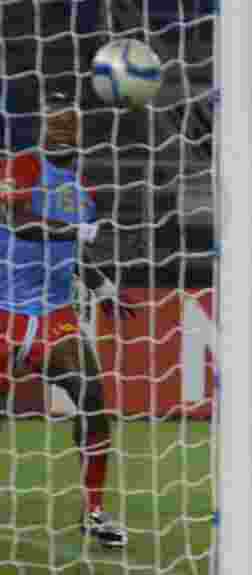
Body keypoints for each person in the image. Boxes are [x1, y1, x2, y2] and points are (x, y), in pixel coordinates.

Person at [0, 91, 137, 548]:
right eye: (54, 120)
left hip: (56, 315)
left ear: (79, 134)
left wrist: (102, 289)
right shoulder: (22, 166)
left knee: (94, 397)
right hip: (4, 310)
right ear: (43, 128)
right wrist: (77, 231)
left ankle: (95, 511)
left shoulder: (84, 194)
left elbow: (75, 253)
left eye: (69, 121)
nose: (61, 128)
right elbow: (19, 221)